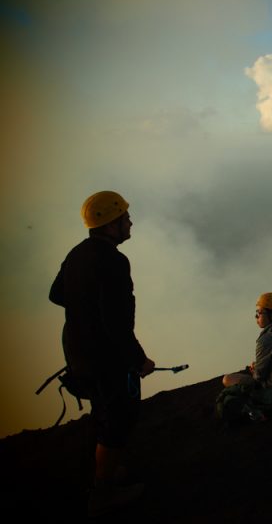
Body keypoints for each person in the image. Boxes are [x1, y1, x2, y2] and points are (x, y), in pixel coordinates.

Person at [49, 191, 154, 517]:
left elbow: (56, 294)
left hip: (78, 353)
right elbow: (116, 324)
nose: (130, 222)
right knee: (120, 419)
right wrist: (139, 360)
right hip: (104, 358)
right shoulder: (113, 261)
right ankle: (103, 492)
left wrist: (84, 312)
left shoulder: (78, 253)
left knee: (104, 411)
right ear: (111, 225)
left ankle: (105, 473)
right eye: (125, 217)